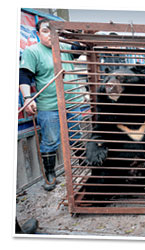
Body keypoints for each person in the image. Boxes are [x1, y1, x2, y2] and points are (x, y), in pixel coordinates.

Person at [19, 19, 84, 191]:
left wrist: (81, 35)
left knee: (76, 135)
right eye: (46, 31)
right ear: (38, 34)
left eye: (54, 31)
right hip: (49, 105)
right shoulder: (32, 52)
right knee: (50, 140)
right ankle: (50, 173)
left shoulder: (64, 47)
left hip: (72, 102)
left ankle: (84, 165)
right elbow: (24, 76)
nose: (51, 34)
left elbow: (80, 48)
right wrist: (27, 98)